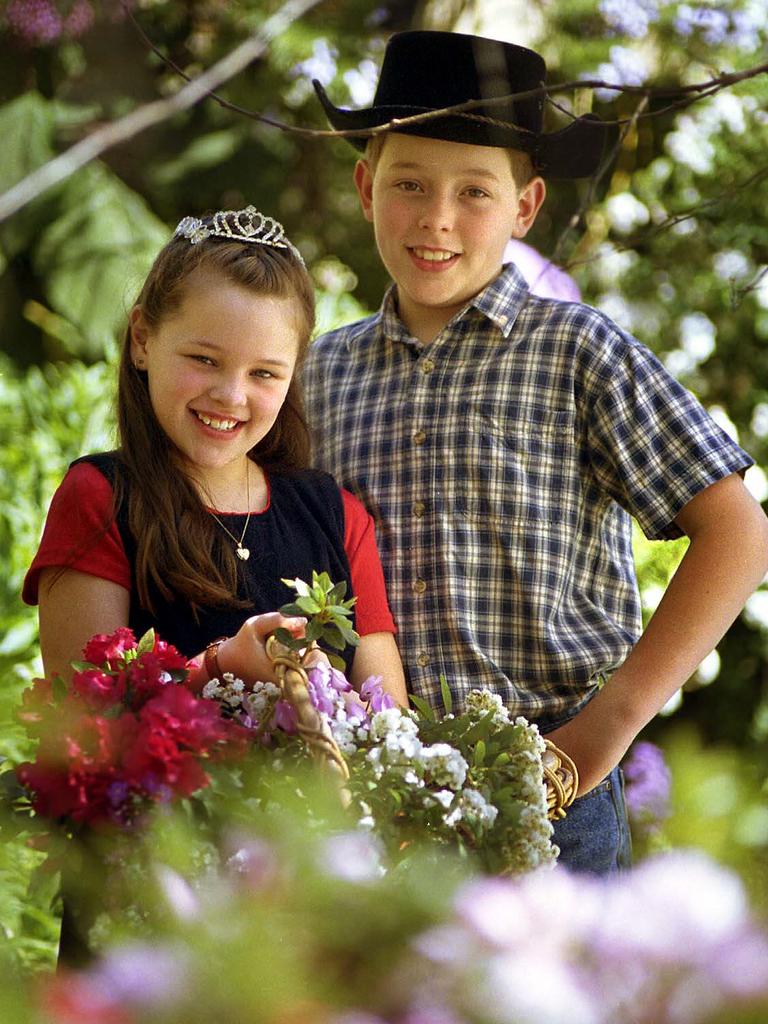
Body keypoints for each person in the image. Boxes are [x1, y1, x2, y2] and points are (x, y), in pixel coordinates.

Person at [301, 31, 768, 872]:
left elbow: (738, 530)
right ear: (367, 187)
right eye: (408, 183)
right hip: (370, 801)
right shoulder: (315, 375)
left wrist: (606, 728)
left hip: (555, 787)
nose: (436, 218)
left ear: (526, 206)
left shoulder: (578, 349)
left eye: (474, 191)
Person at [24, 204, 407, 706]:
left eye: (264, 373)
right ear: (142, 340)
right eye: (204, 360)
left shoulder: (339, 516)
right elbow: (84, 732)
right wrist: (219, 669)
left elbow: (392, 725)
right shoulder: (100, 497)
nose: (231, 396)